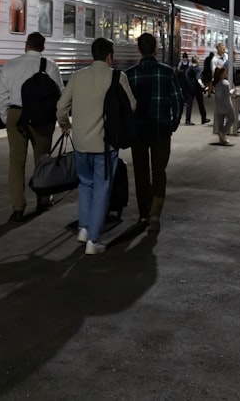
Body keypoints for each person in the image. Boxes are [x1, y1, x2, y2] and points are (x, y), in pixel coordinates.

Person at [57, 38, 136, 254]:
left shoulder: (77, 77)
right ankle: (93, 240)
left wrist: (66, 125)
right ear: (110, 56)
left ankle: (83, 228)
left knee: (85, 185)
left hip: (81, 143)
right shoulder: (118, 77)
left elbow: (61, 106)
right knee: (102, 190)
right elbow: (132, 105)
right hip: (105, 145)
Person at [0, 32, 63, 222]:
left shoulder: (11, 64)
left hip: (16, 114)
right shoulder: (50, 65)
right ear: (43, 47)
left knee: (16, 163)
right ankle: (43, 199)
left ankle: (18, 208)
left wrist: (6, 117)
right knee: (43, 159)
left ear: (26, 45)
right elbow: (59, 93)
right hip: (42, 116)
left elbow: (1, 96)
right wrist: (57, 118)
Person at [125, 33, 184, 232]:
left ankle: (143, 213)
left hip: (138, 130)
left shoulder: (129, 74)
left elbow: (125, 106)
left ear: (138, 49)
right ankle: (155, 214)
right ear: (156, 49)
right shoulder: (167, 72)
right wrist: (173, 124)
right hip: (161, 129)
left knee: (141, 172)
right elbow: (177, 101)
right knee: (159, 171)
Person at [211, 66, 237, 146]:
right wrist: (234, 91)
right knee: (232, 119)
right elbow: (228, 94)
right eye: (225, 72)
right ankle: (223, 133)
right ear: (221, 74)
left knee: (220, 123)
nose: (226, 73)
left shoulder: (214, 82)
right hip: (226, 105)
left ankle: (221, 139)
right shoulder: (225, 83)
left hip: (218, 105)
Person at [187, 56, 210, 125]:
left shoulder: (189, 69)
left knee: (189, 104)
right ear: (197, 61)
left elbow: (186, 77)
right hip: (197, 89)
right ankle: (203, 118)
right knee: (200, 104)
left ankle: (187, 120)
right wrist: (203, 87)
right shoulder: (198, 69)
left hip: (190, 88)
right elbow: (198, 79)